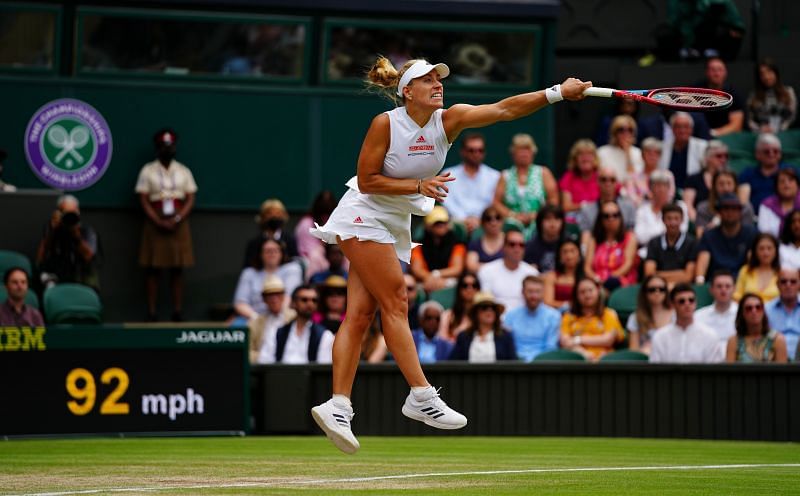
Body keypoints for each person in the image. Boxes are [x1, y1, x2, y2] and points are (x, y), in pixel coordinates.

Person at [307, 56, 591, 454]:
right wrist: (418, 185)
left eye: (439, 79)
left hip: (392, 221)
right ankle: (421, 396)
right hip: (363, 212)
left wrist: (558, 92)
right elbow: (368, 181)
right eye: (427, 81)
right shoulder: (386, 124)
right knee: (397, 301)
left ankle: (338, 405)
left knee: (360, 314)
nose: (438, 84)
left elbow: (504, 109)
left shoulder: (449, 120)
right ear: (408, 92)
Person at [135, 129, 197, 322]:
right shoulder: (148, 170)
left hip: (178, 221)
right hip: (156, 221)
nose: (168, 150)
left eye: (171, 146)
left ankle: (177, 311)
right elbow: (143, 199)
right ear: (158, 148)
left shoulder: (183, 170)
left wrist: (178, 219)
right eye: (164, 146)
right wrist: (157, 220)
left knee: (177, 268)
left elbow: (190, 197)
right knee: (153, 269)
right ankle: (152, 312)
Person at [492, 133, 559, 236]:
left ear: (533, 152)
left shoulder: (543, 173)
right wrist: (512, 215)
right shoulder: (505, 175)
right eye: (520, 150)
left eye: (527, 149)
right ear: (513, 153)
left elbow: (553, 200)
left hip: (539, 222)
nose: (524, 154)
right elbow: (496, 202)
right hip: (512, 225)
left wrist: (536, 215)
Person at [36, 194, 100, 291]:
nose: (69, 217)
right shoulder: (52, 229)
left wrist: (75, 234)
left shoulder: (86, 230)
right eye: (65, 213)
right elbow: (40, 260)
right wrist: (52, 231)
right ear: (58, 213)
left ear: (78, 212)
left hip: (81, 279)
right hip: (57, 279)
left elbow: (88, 256)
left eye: (73, 213)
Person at [440, 132, 500, 234]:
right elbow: (446, 202)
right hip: (456, 224)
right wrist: (464, 219)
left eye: (480, 150)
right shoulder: (448, 175)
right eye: (471, 150)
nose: (476, 154)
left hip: (486, 223)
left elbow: (494, 203)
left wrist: (479, 220)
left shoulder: (495, 176)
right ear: (463, 152)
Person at [232, 238, 303, 324]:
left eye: (275, 250)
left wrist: (277, 317)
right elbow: (240, 303)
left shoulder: (292, 269)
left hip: (284, 316)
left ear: (282, 253)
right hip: (253, 317)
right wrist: (257, 319)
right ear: (260, 254)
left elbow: (289, 297)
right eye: (267, 251)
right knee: (237, 324)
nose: (272, 254)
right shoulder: (249, 273)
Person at [259, 285, 334, 365]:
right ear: (293, 303)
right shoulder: (276, 333)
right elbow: (265, 362)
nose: (310, 304)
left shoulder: (325, 335)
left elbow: (322, 367)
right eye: (304, 300)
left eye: (314, 300)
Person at [649, 283, 722, 363]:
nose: (687, 304)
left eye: (691, 300)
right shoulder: (660, 336)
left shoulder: (709, 335)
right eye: (681, 301)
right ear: (673, 304)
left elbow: (714, 370)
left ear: (696, 303)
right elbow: (655, 369)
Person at [695, 193, 757, 282]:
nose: (730, 212)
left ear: (740, 212)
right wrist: (699, 281)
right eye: (725, 208)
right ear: (719, 212)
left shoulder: (751, 233)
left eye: (734, 209)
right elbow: (703, 261)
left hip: (742, 281)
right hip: (715, 282)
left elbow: (753, 263)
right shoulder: (709, 235)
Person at [560, 277, 625, 361]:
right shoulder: (568, 316)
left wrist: (578, 339)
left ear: (598, 291)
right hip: (576, 361)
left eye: (590, 290)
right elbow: (565, 342)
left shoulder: (609, 314)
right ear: (576, 296)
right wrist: (583, 354)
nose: (587, 295)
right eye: (582, 292)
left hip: (605, 361)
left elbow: (608, 339)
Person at [478, 229, 539, 313]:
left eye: (521, 245)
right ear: (503, 247)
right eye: (512, 244)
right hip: (495, 321)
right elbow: (485, 303)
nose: (517, 249)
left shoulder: (532, 273)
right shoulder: (487, 270)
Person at [576, 166, 636, 249]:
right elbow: (586, 238)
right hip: (595, 254)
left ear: (617, 183)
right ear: (597, 182)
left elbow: (631, 236)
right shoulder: (587, 210)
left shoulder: (628, 207)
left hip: (622, 254)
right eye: (604, 180)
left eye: (612, 180)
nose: (608, 183)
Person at [503, 275, 560, 361]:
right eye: (530, 291)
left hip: (543, 364)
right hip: (515, 364)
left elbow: (550, 347)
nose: (534, 296)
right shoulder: (510, 315)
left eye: (538, 292)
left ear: (543, 293)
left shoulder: (553, 316)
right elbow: (507, 346)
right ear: (522, 292)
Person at [584, 200, 638, 291]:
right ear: (600, 219)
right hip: (596, 282)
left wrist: (607, 279)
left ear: (620, 217)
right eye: (606, 216)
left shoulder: (630, 238)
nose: (611, 219)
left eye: (615, 215)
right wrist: (596, 279)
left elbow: (627, 265)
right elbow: (587, 267)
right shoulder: (594, 240)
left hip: (621, 282)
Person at [410, 206, 466, 292]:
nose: (441, 226)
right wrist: (431, 278)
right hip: (425, 282)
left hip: (448, 281)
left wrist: (437, 274)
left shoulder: (457, 244)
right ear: (428, 225)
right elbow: (417, 270)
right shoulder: (419, 245)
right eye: (436, 223)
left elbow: (457, 269)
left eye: (444, 222)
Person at [448, 292, 517, 362]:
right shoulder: (464, 337)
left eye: (493, 308)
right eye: (484, 307)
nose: (489, 311)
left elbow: (513, 364)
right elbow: (452, 364)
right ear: (475, 312)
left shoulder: (505, 336)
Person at [634, 170, 689, 257]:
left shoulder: (680, 206)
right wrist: (664, 231)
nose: (661, 189)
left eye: (664, 185)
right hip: (646, 254)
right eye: (657, 185)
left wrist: (652, 233)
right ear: (650, 189)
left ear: (669, 188)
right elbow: (640, 237)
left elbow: (681, 231)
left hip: (675, 252)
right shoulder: (642, 210)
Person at [738, 133, 796, 215]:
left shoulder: (791, 172)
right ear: (757, 154)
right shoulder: (748, 174)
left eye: (775, 151)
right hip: (754, 219)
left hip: (786, 218)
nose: (771, 154)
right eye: (767, 152)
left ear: (780, 154)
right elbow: (742, 203)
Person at [643, 203, 697, 285]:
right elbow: (649, 274)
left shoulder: (691, 242)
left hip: (683, 288)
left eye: (676, 218)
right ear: (663, 220)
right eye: (669, 218)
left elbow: (688, 276)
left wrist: (658, 274)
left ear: (682, 220)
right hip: (659, 288)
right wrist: (681, 273)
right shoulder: (654, 242)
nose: (673, 223)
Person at [726, 293, 788, 363]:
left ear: (763, 311)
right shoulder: (734, 341)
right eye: (749, 308)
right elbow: (729, 372)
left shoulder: (777, 340)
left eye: (758, 307)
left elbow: (782, 372)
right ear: (742, 313)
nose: (754, 311)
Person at [695, 170, 755, 238]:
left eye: (729, 183)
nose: (726, 188)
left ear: (735, 186)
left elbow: (748, 236)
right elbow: (700, 237)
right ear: (714, 186)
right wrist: (717, 221)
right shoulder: (703, 208)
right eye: (721, 184)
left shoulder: (745, 208)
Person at [251, 276, 295, 364]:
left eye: (278, 294)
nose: (274, 299)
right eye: (270, 295)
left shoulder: (295, 317)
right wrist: (263, 357)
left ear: (283, 296)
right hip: (263, 367)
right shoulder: (255, 323)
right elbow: (247, 351)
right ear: (264, 299)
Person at [657, 112, 708, 189]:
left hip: (693, 192)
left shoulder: (702, 147)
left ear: (691, 129)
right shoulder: (662, 147)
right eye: (678, 127)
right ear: (672, 129)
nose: (682, 130)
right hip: (666, 191)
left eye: (686, 127)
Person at [243, 198, 298, 268]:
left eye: (278, 213)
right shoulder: (254, 243)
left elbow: (295, 263)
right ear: (263, 217)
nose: (274, 217)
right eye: (270, 213)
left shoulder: (290, 240)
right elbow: (248, 267)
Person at [682, 140, 730, 222]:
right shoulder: (693, 179)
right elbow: (688, 206)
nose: (723, 159)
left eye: (726, 156)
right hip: (699, 220)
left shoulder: (730, 179)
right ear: (708, 157)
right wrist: (699, 222)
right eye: (719, 156)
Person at [295, 190, 339, 278]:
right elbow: (309, 253)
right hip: (312, 262)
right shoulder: (306, 224)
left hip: (336, 261)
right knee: (315, 257)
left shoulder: (338, 222)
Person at [747, 58, 797, 133]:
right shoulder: (754, 95)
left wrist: (780, 129)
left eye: (769, 72)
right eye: (762, 74)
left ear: (776, 73)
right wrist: (760, 129)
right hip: (761, 134)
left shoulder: (788, 92)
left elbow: (791, 117)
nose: (766, 77)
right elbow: (749, 119)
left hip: (783, 133)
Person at [697, 57, 744, 137]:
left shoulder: (733, 93)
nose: (716, 74)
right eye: (713, 70)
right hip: (701, 138)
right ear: (707, 72)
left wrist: (713, 133)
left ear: (725, 72)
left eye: (720, 70)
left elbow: (736, 126)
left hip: (727, 138)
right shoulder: (697, 91)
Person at [628, 275, 674, 355]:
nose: (657, 293)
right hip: (646, 361)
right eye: (652, 290)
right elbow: (633, 350)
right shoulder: (635, 317)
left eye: (661, 289)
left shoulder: (675, 315)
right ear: (645, 293)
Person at [694, 269, 738, 349]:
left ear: (734, 289)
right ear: (711, 290)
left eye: (727, 286)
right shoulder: (698, 316)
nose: (723, 290)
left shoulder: (743, 314)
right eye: (719, 286)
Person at [765, 267, 800, 361]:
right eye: (783, 281)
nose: (788, 285)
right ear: (777, 284)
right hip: (773, 364)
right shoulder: (766, 309)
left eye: (793, 281)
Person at [733, 233, 780, 303]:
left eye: (769, 248)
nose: (766, 253)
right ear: (755, 251)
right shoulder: (745, 271)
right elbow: (737, 296)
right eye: (761, 248)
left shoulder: (782, 273)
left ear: (776, 251)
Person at [597, 115, 644, 183]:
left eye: (630, 130)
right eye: (621, 130)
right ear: (614, 132)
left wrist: (628, 153)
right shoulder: (602, 152)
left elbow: (636, 179)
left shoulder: (638, 153)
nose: (626, 133)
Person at [559, 139, 600, 213]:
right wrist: (586, 206)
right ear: (575, 159)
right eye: (581, 154)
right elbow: (566, 207)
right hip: (574, 219)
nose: (585, 158)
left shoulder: (602, 176)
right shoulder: (568, 177)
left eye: (589, 154)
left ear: (595, 158)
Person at [438, 271, 480, 343]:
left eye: (474, 285)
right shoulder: (447, 316)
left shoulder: (482, 316)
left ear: (478, 289)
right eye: (465, 285)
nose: (469, 289)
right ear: (459, 289)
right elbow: (443, 342)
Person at [543, 239, 584, 310]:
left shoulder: (585, 277)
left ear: (579, 254)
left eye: (572, 251)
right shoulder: (552, 276)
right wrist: (568, 305)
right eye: (565, 252)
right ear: (560, 257)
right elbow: (548, 302)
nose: (569, 255)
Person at [758, 168, 800, 238]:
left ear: (798, 185)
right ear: (776, 187)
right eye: (782, 181)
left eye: (790, 180)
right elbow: (764, 234)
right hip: (774, 247)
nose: (786, 184)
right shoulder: (767, 205)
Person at [523, 204, 565, 273]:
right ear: (540, 222)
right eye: (548, 219)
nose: (553, 223)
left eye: (557, 219)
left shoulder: (568, 244)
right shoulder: (530, 247)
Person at [623, 137, 663, 207]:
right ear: (642, 155)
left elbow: (669, 196)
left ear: (660, 156)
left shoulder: (667, 176)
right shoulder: (633, 177)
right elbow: (631, 196)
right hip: (638, 211)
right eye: (649, 153)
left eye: (656, 153)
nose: (652, 156)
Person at [464, 206, 505, 273]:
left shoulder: (510, 242)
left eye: (498, 218)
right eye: (488, 219)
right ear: (483, 223)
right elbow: (471, 266)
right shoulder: (475, 244)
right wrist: (500, 269)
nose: (493, 223)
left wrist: (482, 266)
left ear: (502, 221)